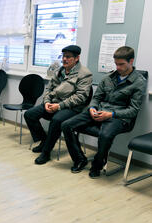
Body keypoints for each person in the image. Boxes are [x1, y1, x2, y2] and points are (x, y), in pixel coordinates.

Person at [62, 46, 146, 178]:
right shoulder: (108, 77)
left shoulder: (139, 82)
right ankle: (79, 159)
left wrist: (111, 114)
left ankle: (97, 165)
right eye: (116, 64)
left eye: (121, 64)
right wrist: (92, 108)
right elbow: (97, 98)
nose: (118, 67)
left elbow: (133, 111)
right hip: (99, 111)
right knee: (66, 125)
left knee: (105, 135)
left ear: (131, 61)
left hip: (118, 117)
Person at [24, 45, 93, 165]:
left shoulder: (85, 74)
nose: (64, 59)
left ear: (77, 58)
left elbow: (81, 97)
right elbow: (49, 89)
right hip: (54, 104)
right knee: (29, 114)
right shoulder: (60, 71)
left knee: (56, 120)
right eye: (63, 56)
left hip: (72, 108)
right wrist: (46, 102)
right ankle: (45, 141)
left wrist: (59, 106)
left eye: (68, 57)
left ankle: (46, 152)